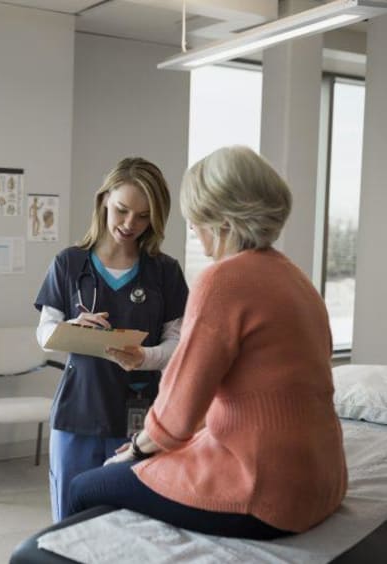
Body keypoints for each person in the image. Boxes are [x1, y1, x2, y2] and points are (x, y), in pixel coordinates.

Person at [67, 146, 348, 539]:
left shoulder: (223, 280)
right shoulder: (298, 281)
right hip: (324, 483)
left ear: (223, 221)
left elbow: (176, 415)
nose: (195, 232)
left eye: (196, 220)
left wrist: (134, 451)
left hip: (267, 494)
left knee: (85, 486)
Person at [34, 157, 189, 522]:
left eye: (142, 216)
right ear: (104, 199)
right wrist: (71, 327)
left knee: (130, 522)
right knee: (70, 519)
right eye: (121, 210)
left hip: (141, 419)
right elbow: (44, 334)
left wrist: (144, 357)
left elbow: (178, 345)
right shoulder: (69, 263)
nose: (129, 224)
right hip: (78, 414)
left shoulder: (164, 272)